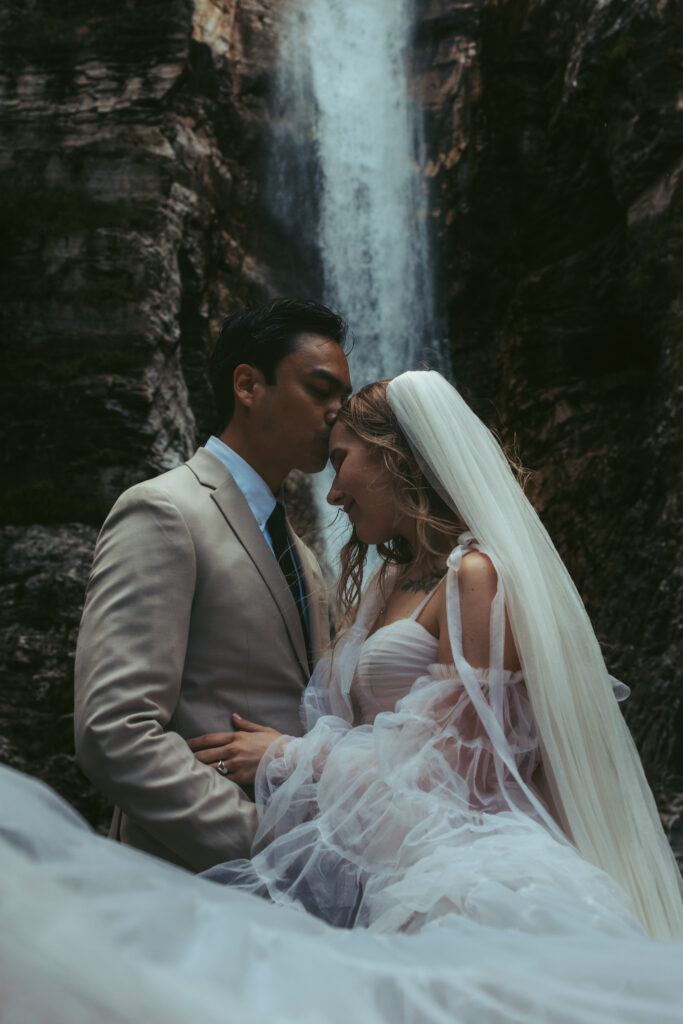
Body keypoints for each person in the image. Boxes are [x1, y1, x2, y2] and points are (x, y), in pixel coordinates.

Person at [2, 369, 682, 1024]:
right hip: (374, 863)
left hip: (466, 878)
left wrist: (289, 760)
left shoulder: (476, 577)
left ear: (395, 457)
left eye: (341, 461)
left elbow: (469, 770)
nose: (330, 494)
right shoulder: (381, 586)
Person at [73, 297, 351, 871]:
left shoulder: (304, 557)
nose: (338, 413)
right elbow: (114, 731)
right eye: (321, 390)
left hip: (303, 899)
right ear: (247, 385)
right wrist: (266, 846)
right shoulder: (162, 510)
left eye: (343, 397)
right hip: (190, 884)